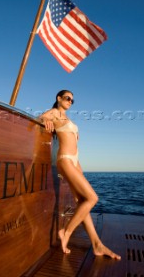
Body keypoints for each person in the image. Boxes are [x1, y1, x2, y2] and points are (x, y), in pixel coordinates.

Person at [39, 90, 121, 260]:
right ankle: (66, 232)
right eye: (67, 98)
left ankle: (97, 244)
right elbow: (41, 117)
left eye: (72, 100)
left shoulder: (69, 119)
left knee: (82, 202)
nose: (70, 101)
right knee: (92, 198)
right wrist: (46, 120)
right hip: (65, 159)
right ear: (58, 98)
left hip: (75, 162)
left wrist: (79, 165)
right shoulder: (55, 112)